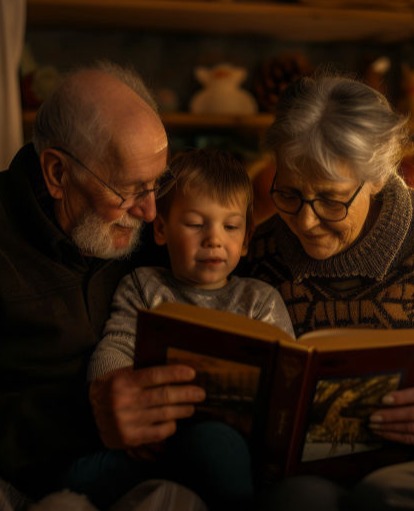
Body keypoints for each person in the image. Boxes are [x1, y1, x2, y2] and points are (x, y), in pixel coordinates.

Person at [0, 60, 208, 511]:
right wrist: (86, 413)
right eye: (130, 190)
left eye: (157, 184)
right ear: (57, 174)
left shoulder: (146, 229)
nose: (150, 213)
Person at [87, 147, 295, 511]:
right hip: (155, 438)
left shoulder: (259, 300)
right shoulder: (143, 286)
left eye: (230, 227)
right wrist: (116, 394)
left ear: (246, 239)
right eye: (196, 224)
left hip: (230, 444)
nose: (214, 238)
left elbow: (285, 377)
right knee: (80, 476)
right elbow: (115, 348)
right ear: (162, 229)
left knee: (215, 448)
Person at [242, 72, 414, 510]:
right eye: (289, 193)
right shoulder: (251, 252)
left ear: (378, 176)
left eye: (332, 200)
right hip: (298, 475)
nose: (305, 222)